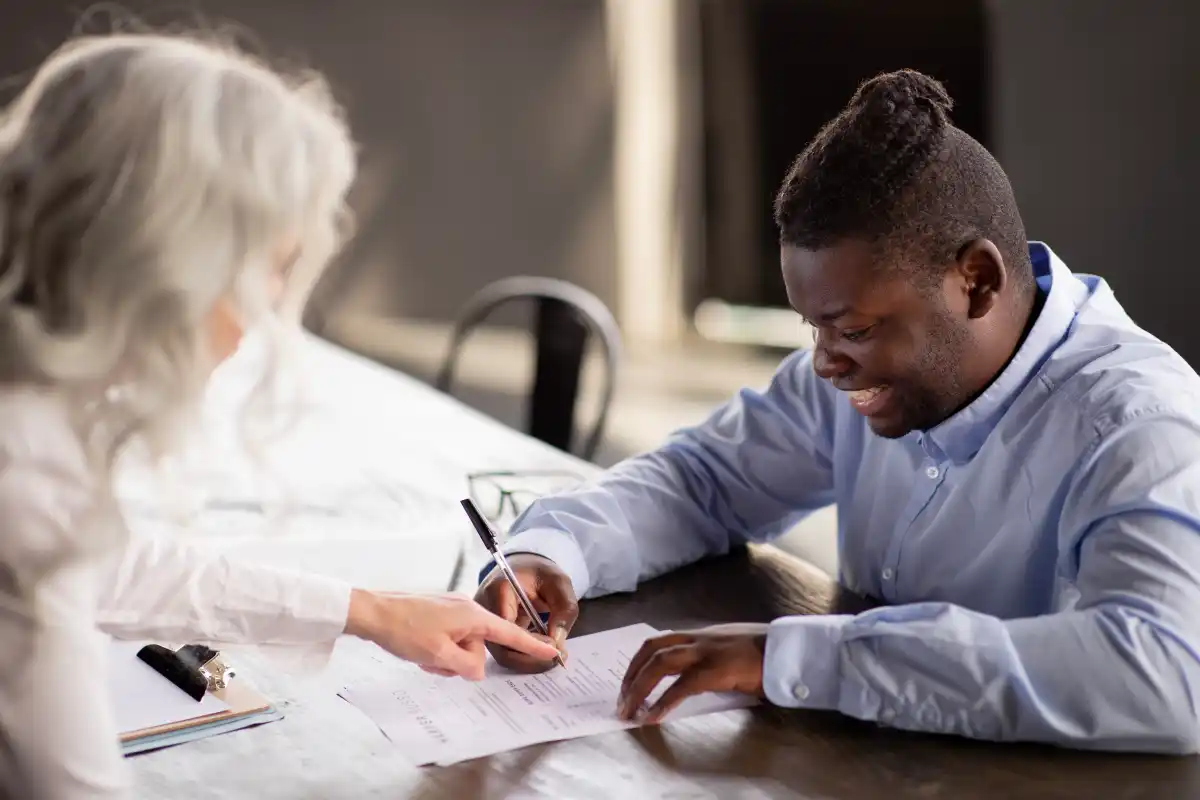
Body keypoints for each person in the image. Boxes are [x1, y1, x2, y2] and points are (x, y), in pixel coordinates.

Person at [476, 69, 1200, 754]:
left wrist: (795, 658)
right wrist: (554, 551)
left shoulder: (1139, 424)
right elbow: (704, 480)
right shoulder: (856, 378)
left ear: (974, 281)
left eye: (852, 330)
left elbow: (1163, 673)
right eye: (811, 328)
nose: (824, 362)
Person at [0, 32, 558, 798]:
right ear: (166, 262)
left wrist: (370, 611)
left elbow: (104, 566)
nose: (257, 322)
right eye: (264, 271)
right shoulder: (23, 477)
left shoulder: (27, 417)